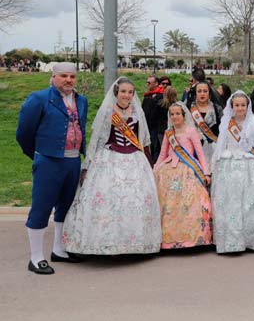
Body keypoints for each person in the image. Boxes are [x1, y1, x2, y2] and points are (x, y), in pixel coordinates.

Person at [63, 77, 161, 255]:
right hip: (109, 159)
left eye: (130, 92)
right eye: (123, 91)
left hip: (134, 159)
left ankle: (136, 243)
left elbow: (143, 141)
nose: (127, 95)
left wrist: (149, 163)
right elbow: (96, 141)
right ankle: (104, 242)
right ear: (116, 93)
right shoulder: (107, 112)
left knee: (136, 199)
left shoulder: (138, 112)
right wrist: (87, 165)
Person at [16, 62, 87, 274]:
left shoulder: (81, 100)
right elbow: (24, 133)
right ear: (54, 77)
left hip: (73, 161)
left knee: (66, 206)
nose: (68, 80)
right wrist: (40, 155)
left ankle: (59, 250)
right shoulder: (39, 98)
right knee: (42, 207)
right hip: (49, 160)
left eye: (72, 76)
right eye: (63, 76)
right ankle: (36, 257)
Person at [211, 91, 254, 254]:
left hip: (248, 166)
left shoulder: (253, 123)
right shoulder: (226, 122)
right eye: (237, 105)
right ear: (232, 106)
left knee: (249, 204)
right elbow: (220, 145)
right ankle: (230, 241)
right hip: (228, 165)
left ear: (247, 106)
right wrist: (212, 165)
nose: (240, 108)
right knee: (229, 204)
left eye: (243, 105)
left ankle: (248, 239)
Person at [154, 102, 213, 249]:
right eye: (172, 114)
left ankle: (192, 238)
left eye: (177, 114)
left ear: (183, 115)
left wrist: (206, 172)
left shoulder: (191, 131)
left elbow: (200, 153)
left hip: (188, 169)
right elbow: (162, 153)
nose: (175, 117)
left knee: (191, 203)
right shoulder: (169, 133)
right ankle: (169, 240)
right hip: (169, 169)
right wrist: (154, 169)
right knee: (169, 205)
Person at [189, 81, 223, 164]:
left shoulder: (217, 109)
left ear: (209, 93)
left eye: (205, 91)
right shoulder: (189, 109)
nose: (202, 94)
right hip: (194, 148)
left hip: (214, 148)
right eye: (199, 91)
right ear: (195, 93)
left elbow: (222, 129)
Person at [142, 75, 165, 161]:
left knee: (156, 147)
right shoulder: (147, 95)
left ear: (156, 84)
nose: (147, 84)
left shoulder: (161, 96)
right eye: (147, 82)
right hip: (147, 126)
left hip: (157, 127)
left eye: (149, 83)